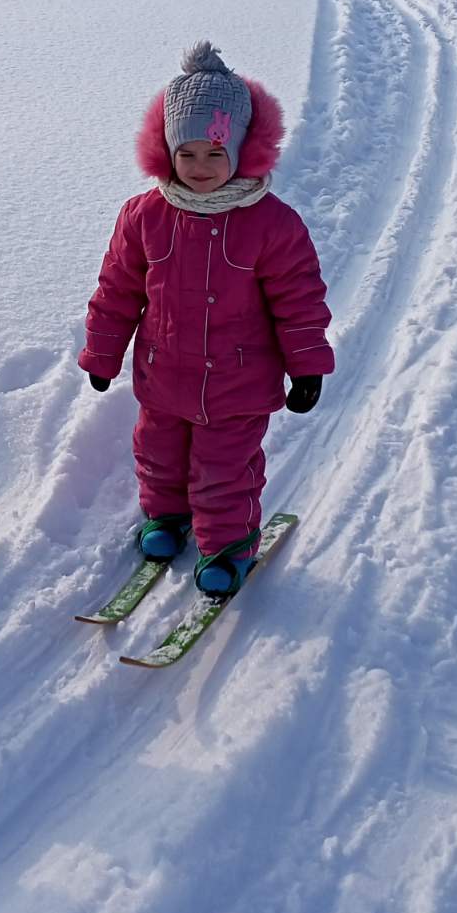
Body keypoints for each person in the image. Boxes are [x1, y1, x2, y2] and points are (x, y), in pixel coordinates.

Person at [79, 41, 334, 597]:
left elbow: (299, 299)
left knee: (225, 468)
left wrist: (307, 365)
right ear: (166, 151)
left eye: (215, 155)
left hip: (238, 383)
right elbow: (118, 289)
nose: (199, 169)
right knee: (159, 455)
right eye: (187, 154)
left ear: (242, 152)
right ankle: (166, 518)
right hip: (163, 375)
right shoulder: (144, 216)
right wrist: (102, 353)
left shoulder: (272, 224)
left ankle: (225, 545)